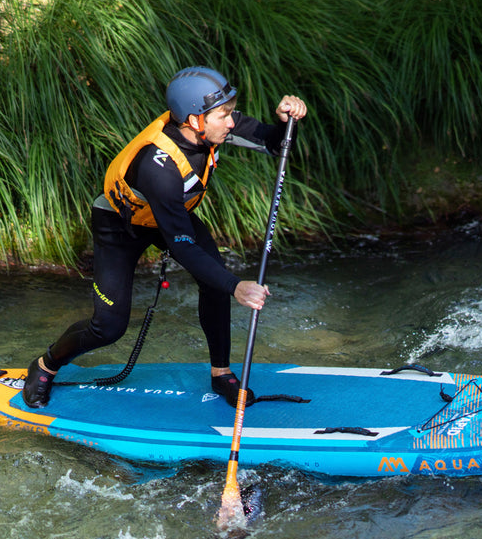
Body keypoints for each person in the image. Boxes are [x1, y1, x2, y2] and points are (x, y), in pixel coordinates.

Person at [21, 66, 308, 409]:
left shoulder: (211, 125)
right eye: (224, 115)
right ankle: (45, 365)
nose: (231, 122)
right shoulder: (158, 165)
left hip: (170, 218)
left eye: (230, 113)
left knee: (214, 283)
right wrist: (236, 286)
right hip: (120, 224)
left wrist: (284, 121)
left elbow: (275, 144)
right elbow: (182, 245)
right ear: (194, 120)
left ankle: (221, 373)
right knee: (108, 326)